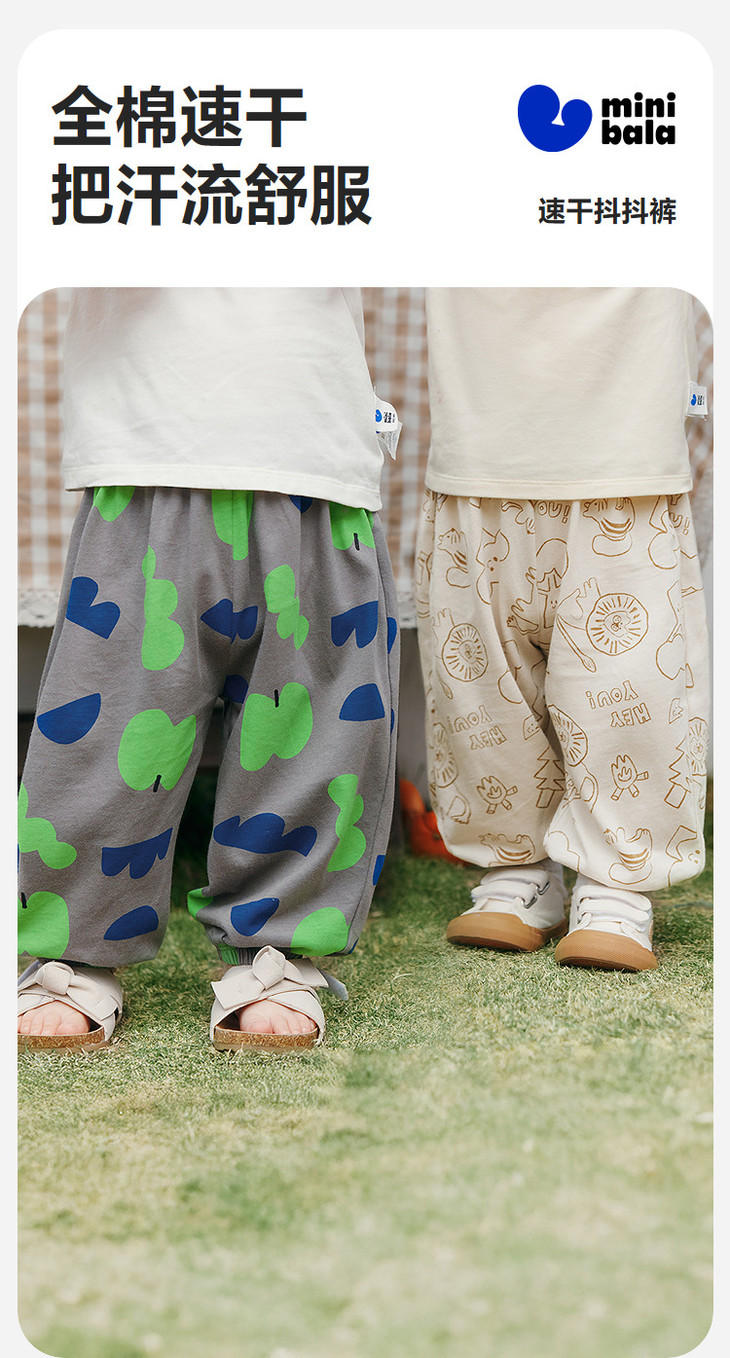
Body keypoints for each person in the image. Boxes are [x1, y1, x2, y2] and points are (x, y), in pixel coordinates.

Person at [18, 287, 399, 1052]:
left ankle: (278, 950)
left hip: (310, 451)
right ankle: (73, 949)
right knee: (106, 732)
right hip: (145, 448)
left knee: (315, 738)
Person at [416, 288, 709, 971]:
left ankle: (617, 880)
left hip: (624, 459)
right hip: (480, 454)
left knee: (631, 689)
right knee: (478, 688)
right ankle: (517, 868)